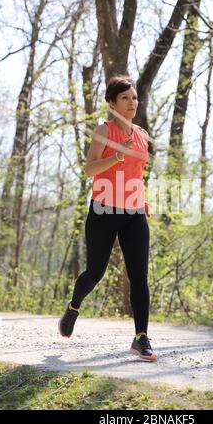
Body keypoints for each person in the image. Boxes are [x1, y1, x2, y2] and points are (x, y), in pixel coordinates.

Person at [58, 75, 157, 362]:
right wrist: (115, 157)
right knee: (95, 273)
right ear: (112, 103)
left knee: (139, 276)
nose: (132, 103)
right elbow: (89, 169)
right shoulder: (104, 130)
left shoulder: (140, 133)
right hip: (103, 210)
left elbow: (136, 171)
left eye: (135, 98)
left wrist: (143, 197)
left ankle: (141, 338)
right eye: (125, 98)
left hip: (134, 211)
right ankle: (74, 306)